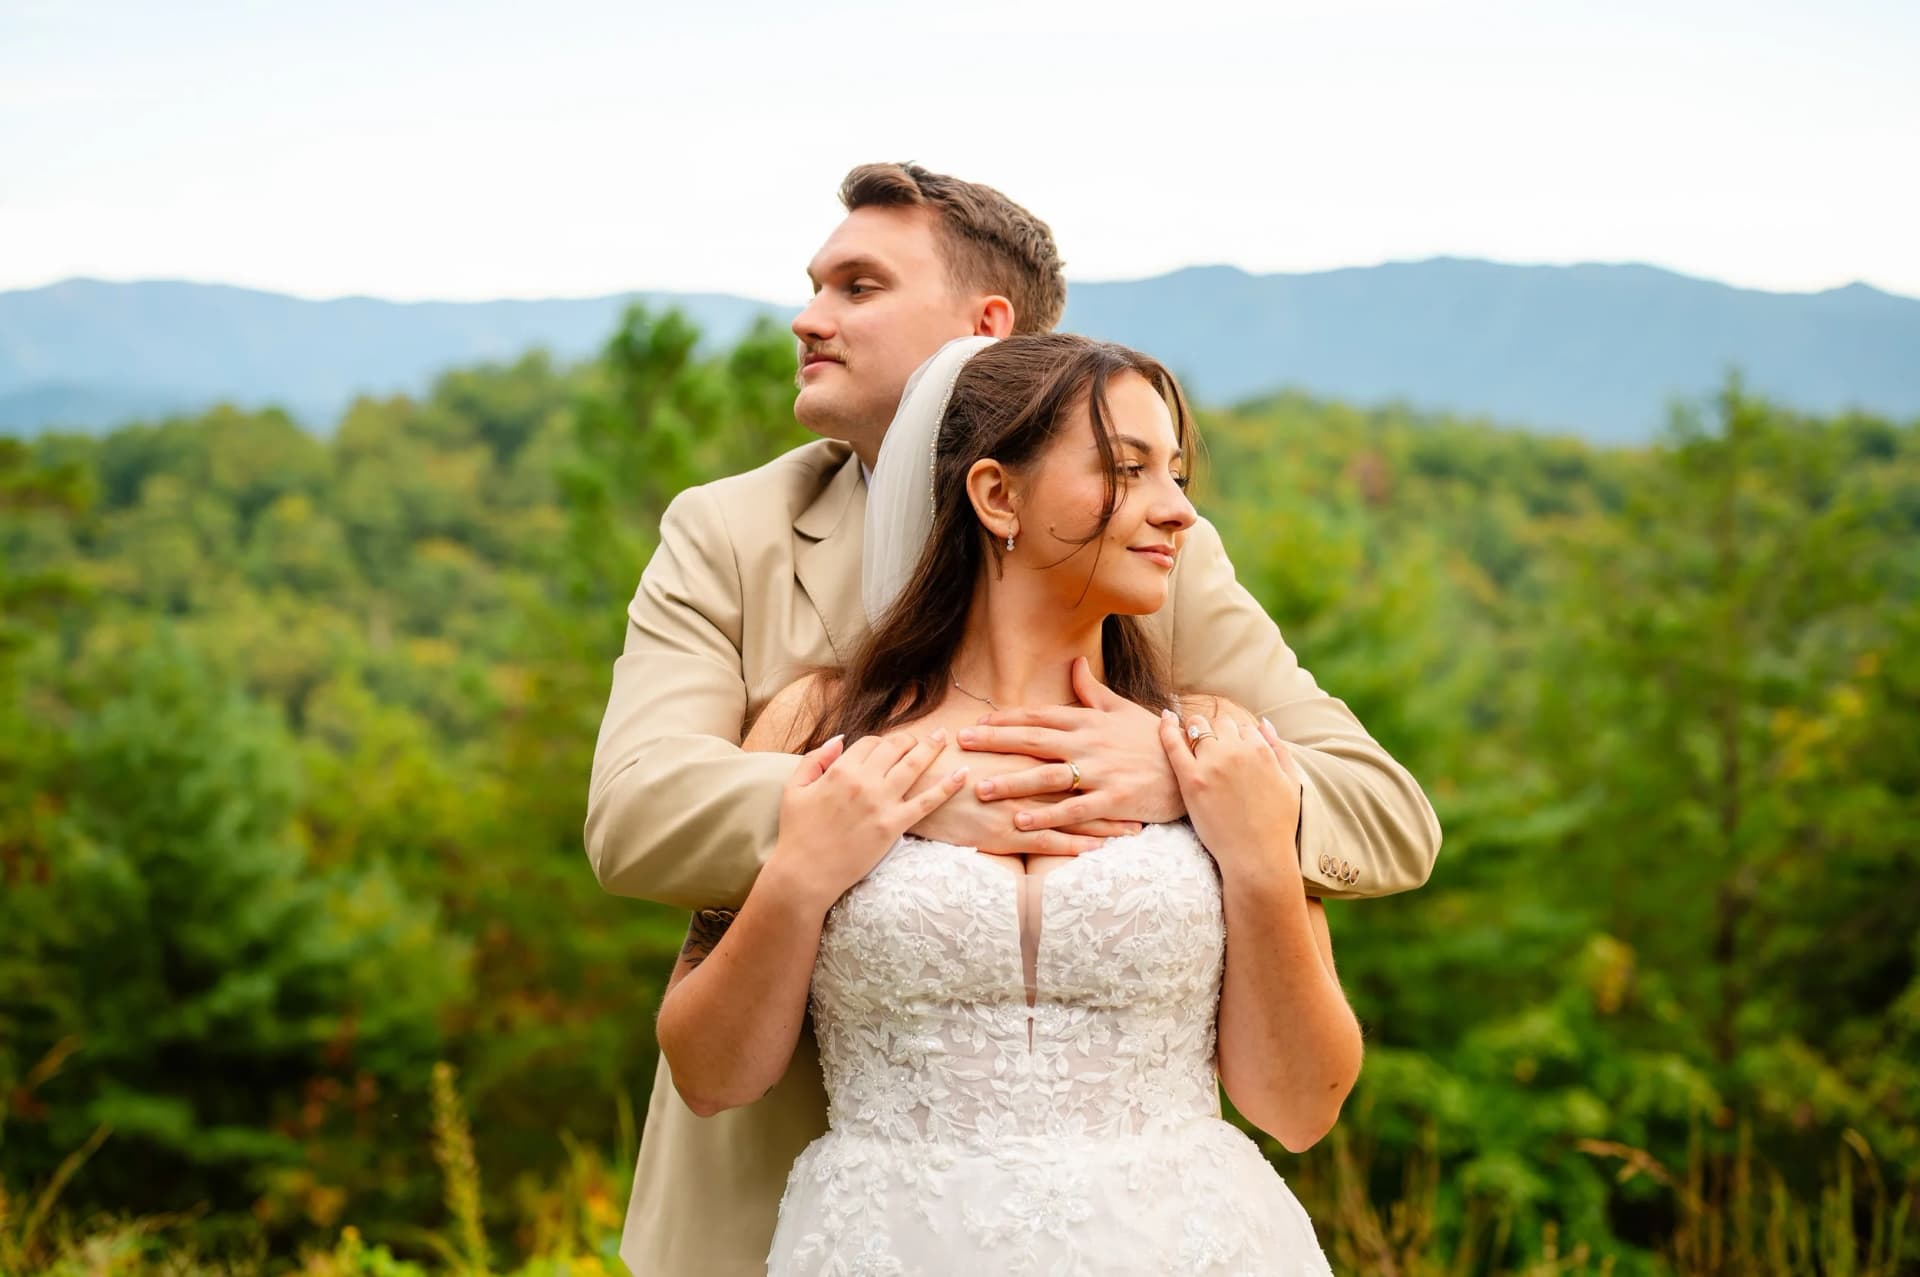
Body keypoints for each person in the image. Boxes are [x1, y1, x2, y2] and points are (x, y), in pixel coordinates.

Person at [586, 162, 1440, 1276]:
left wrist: (1174, 774)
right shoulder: (732, 531)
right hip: (814, 1203)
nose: (808, 318)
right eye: (817, 285)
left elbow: (1381, 812)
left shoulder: (1150, 552)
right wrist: (910, 793)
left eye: (857, 287)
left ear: (983, 328)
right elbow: (635, 814)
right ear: (993, 495)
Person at [659, 332, 1356, 1273]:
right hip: (893, 1246)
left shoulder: (1215, 744)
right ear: (997, 496)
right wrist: (799, 873)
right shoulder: (820, 726)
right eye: (1128, 470)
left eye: (1179, 474)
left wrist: (1263, 854)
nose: (1179, 511)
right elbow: (708, 1076)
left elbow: (1302, 1106)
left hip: (1189, 1243)